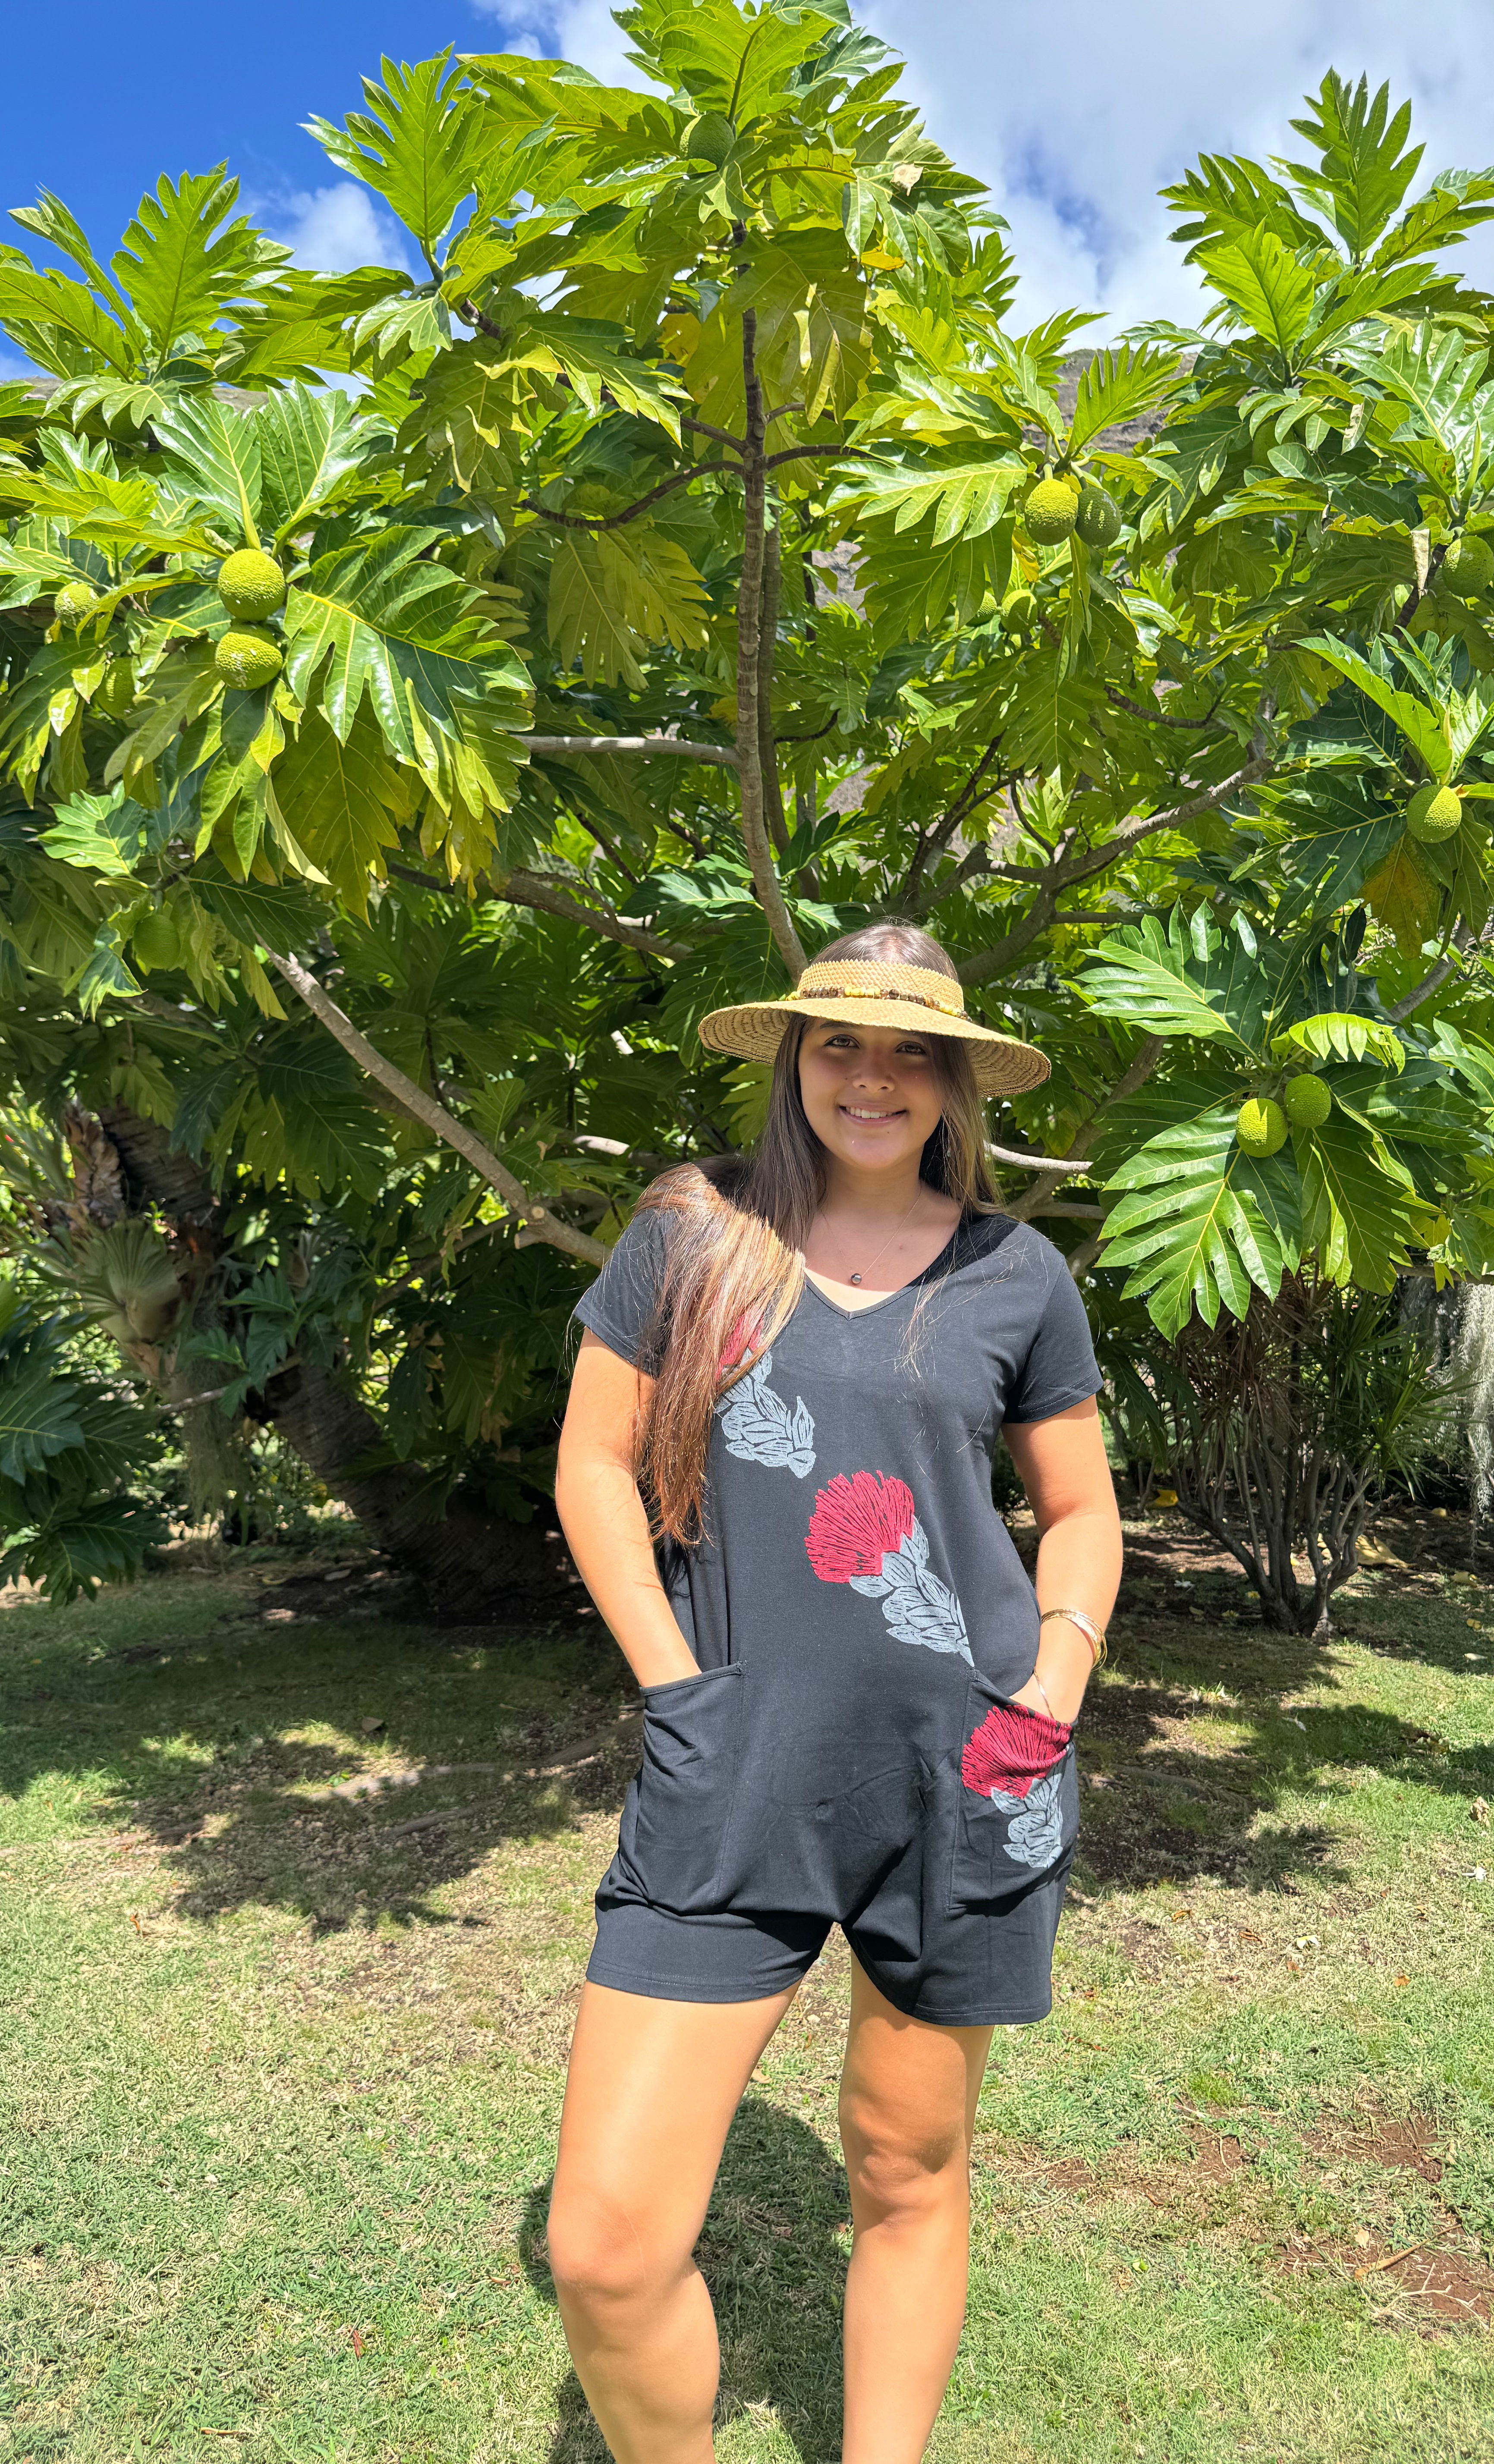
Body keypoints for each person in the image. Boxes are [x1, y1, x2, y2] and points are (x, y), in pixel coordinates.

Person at [547, 921, 1122, 2464]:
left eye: (910, 1052)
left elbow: (1079, 1509)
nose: (872, 1077)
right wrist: (675, 1684)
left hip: (967, 1770)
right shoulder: (693, 1235)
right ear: (794, 1059)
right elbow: (594, 1464)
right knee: (603, 2246)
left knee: (903, 2168)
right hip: (732, 1765)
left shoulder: (1014, 1272)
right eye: (840, 1044)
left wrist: (1054, 1682)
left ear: (953, 1083)